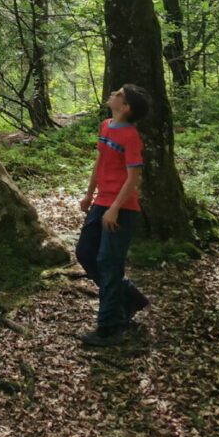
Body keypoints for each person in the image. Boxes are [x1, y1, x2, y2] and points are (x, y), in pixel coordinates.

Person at [75, 84, 151, 346]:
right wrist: (89, 194)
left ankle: (110, 327)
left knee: (108, 262)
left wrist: (115, 208)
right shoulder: (106, 125)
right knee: (85, 253)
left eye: (119, 94)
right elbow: (100, 162)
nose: (113, 95)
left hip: (122, 208)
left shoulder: (131, 136)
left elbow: (133, 178)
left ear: (126, 106)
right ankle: (128, 296)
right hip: (101, 202)